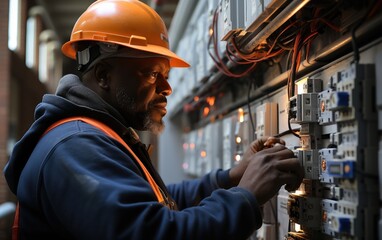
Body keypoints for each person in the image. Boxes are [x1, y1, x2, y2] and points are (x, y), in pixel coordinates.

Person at [4, 0, 304, 239]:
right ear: (104, 75)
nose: (167, 88)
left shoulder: (96, 135)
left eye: (166, 75)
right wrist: (246, 196)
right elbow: (154, 231)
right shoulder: (76, 146)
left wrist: (231, 178)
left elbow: (158, 201)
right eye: (151, 74)